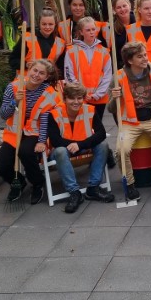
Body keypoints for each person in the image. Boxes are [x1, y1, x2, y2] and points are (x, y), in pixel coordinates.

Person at [109, 42, 151, 203]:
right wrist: (115, 97)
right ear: (130, 60)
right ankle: (130, 184)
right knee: (121, 150)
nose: (145, 58)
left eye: (145, 55)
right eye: (140, 56)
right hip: (129, 120)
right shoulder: (119, 76)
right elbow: (111, 108)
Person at [0, 59, 58, 204]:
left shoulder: (49, 93)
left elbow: (47, 121)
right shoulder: (14, 87)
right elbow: (3, 114)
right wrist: (14, 102)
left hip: (35, 133)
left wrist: (42, 141)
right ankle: (18, 182)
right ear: (29, 69)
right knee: (1, 166)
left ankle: (37, 183)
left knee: (26, 152)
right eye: (35, 70)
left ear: (46, 77)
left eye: (42, 73)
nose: (37, 75)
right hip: (14, 133)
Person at [46, 81, 114, 213]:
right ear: (65, 99)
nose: (76, 102)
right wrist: (72, 145)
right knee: (60, 151)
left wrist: (80, 144)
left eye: (79, 98)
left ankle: (93, 188)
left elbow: (101, 133)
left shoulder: (90, 110)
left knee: (103, 145)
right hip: (62, 152)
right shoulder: (54, 114)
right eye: (72, 98)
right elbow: (55, 140)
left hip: (82, 147)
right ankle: (74, 192)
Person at [64, 16, 112, 122]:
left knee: (97, 128)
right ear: (81, 32)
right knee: (82, 127)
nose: (91, 32)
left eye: (93, 29)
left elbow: (108, 75)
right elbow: (68, 74)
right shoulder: (71, 51)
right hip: (79, 98)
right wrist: (81, 93)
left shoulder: (104, 51)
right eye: (88, 30)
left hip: (99, 98)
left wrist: (98, 94)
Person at [8, 8, 65, 75]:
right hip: (26, 81)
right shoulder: (27, 38)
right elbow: (12, 60)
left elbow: (61, 68)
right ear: (39, 24)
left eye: (50, 24)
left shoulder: (60, 43)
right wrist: (26, 65)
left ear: (55, 24)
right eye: (44, 24)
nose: (47, 27)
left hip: (47, 82)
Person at [102, 0, 135, 67]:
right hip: (119, 67)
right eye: (119, 7)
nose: (122, 9)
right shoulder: (110, 27)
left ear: (129, 5)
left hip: (138, 65)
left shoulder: (139, 22)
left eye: (124, 6)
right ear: (114, 10)